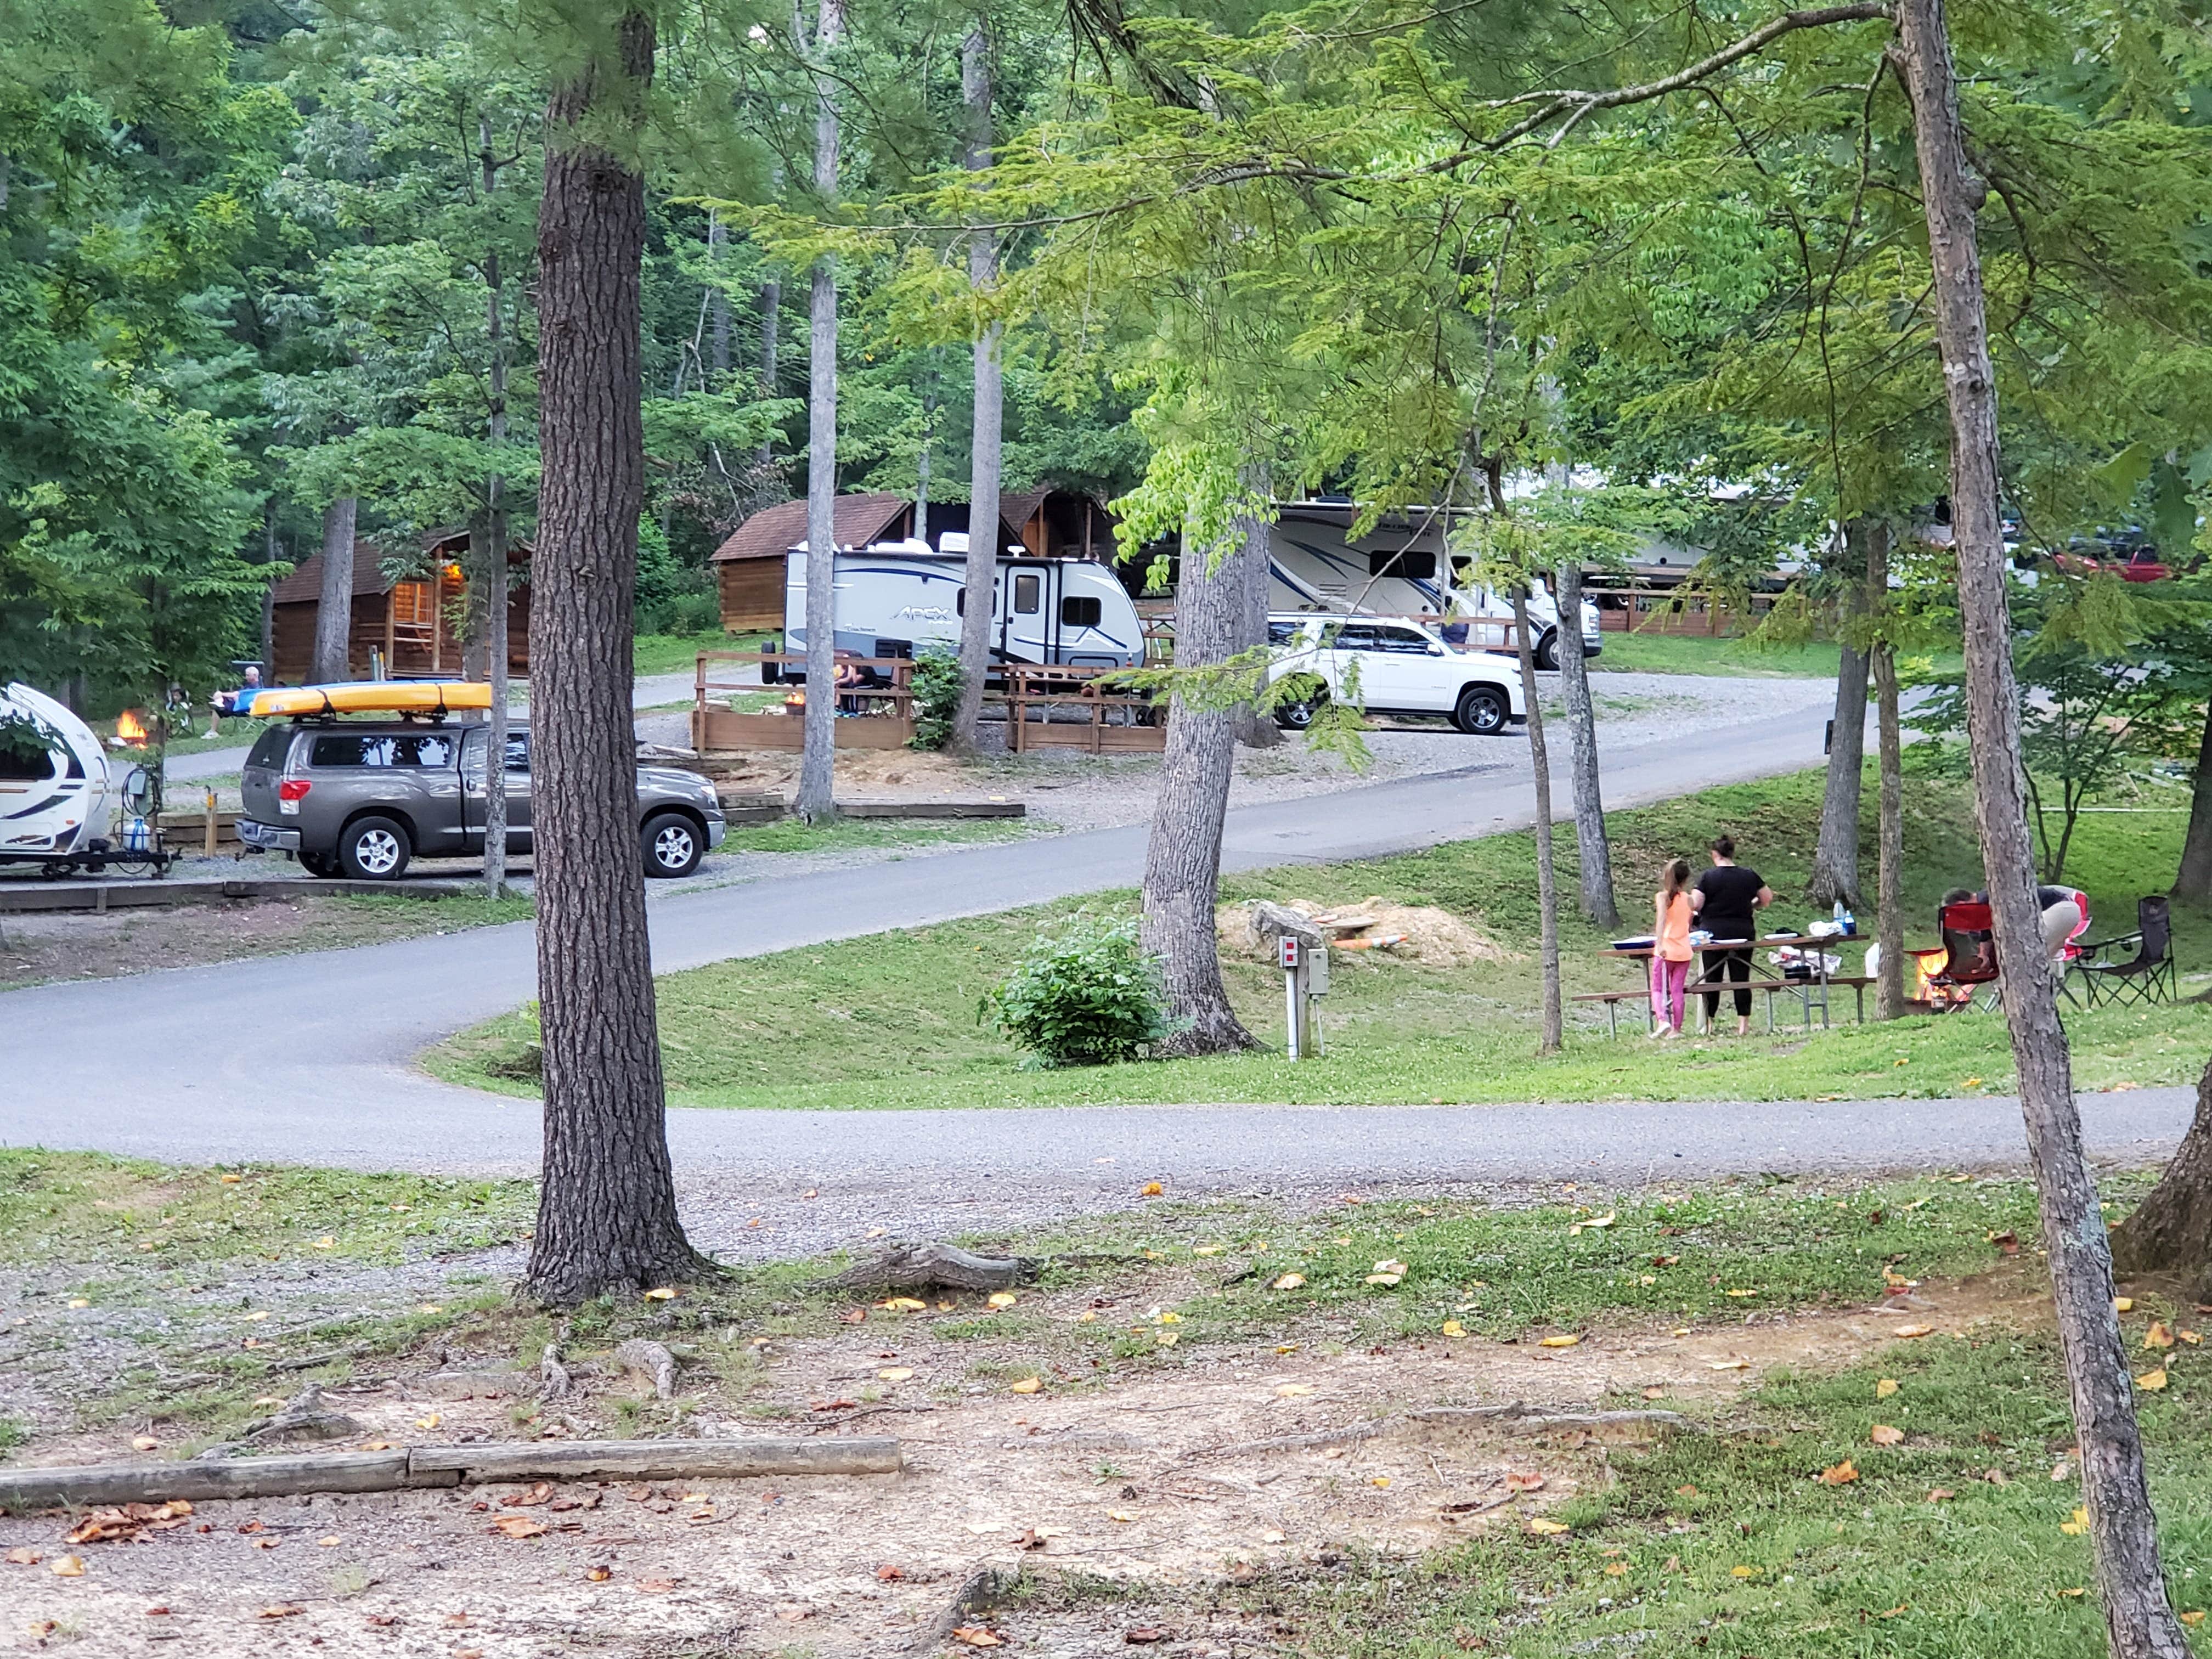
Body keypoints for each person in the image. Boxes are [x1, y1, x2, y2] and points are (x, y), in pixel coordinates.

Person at [1691, 834, 1773, 1035]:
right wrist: (1752, 905)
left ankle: (1709, 1023)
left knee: (1712, 978)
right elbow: (1767, 898)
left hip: (1713, 933)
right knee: (1741, 978)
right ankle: (1743, 1025)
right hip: (1743, 930)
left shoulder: (1708, 877)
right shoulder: (1748, 875)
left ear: (1714, 854)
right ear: (1732, 853)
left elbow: (1696, 904)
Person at [1649, 857, 1695, 1039]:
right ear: (1686, 879)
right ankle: (1677, 1028)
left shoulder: (1662, 898)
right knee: (1677, 990)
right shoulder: (1689, 899)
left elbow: (1661, 921)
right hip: (1684, 950)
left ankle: (1662, 1020)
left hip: (1666, 950)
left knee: (1658, 987)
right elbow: (1688, 924)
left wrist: (1659, 944)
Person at [206, 665, 263, 736]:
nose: (246, 677)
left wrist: (222, 694)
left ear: (254, 675)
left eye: (248, 675)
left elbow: (236, 695)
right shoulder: (256, 686)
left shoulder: (253, 688)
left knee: (217, 709)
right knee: (219, 701)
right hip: (239, 705)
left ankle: (213, 731)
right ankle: (219, 703)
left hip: (241, 708)